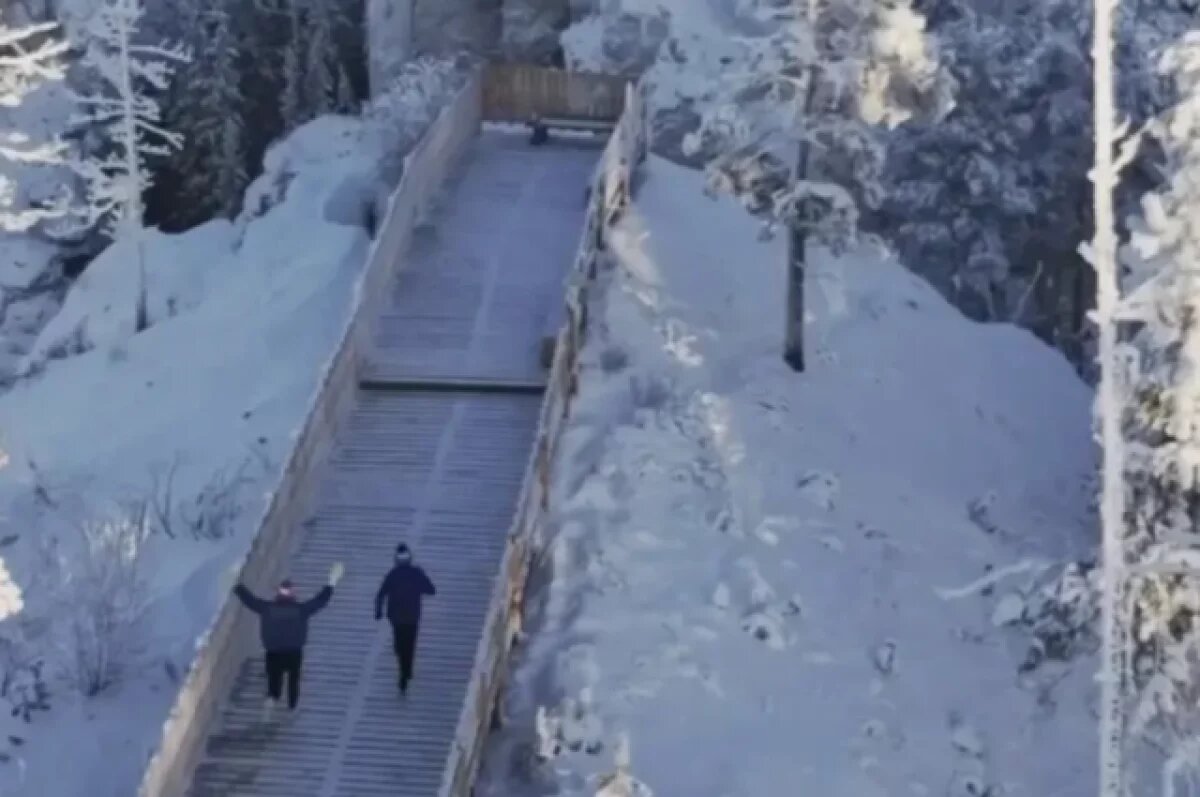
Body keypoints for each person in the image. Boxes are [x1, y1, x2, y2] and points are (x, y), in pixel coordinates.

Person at [234, 562, 344, 718]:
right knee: (293, 678)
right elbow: (319, 602)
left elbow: (250, 600)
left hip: (273, 650)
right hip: (294, 650)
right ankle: (292, 705)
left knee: (274, 679)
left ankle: (272, 700)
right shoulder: (300, 610)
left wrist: (237, 587)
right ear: (292, 594)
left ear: (278, 593)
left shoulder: (267, 608)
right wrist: (331, 583)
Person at [374, 543, 436, 695]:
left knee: (400, 645)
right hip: (412, 616)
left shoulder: (393, 574)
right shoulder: (416, 573)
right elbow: (431, 590)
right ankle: (407, 671)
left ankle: (404, 671)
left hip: (396, 617)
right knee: (410, 645)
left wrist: (378, 612)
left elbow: (381, 594)